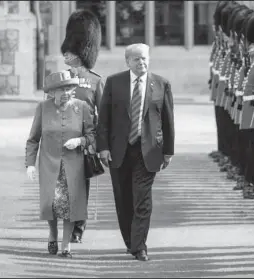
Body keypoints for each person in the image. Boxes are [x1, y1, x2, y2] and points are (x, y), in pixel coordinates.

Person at [96, 43, 175, 261]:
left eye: (145, 58)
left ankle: (140, 246)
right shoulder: (114, 83)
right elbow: (103, 119)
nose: (141, 62)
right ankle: (131, 241)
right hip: (118, 150)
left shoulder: (161, 84)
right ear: (128, 61)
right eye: (137, 59)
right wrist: (102, 147)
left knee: (143, 198)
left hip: (148, 151)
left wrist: (168, 151)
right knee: (123, 199)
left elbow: (168, 121)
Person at [25, 70, 96, 258]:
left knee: (70, 205)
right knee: (51, 204)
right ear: (52, 92)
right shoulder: (42, 108)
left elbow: (93, 135)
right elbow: (33, 139)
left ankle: (66, 246)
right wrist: (30, 164)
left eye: (70, 87)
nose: (66, 92)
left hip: (73, 166)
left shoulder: (82, 107)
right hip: (49, 165)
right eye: (61, 88)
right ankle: (52, 233)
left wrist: (80, 141)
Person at [58, 9, 104, 244]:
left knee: (81, 186)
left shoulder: (96, 81)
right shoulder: (61, 78)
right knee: (64, 186)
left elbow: (102, 115)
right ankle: (67, 223)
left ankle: (79, 226)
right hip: (63, 139)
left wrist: (102, 145)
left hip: (84, 142)